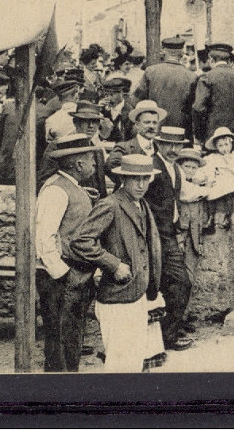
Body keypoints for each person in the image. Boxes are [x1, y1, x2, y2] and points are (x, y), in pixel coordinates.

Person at [69, 154, 165, 373]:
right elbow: (80, 240)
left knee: (135, 360)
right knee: (120, 364)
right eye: (135, 179)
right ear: (123, 179)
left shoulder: (141, 204)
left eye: (145, 178)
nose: (141, 185)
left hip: (138, 294)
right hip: (118, 296)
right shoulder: (111, 205)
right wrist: (113, 265)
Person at [34, 134, 100, 372]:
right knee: (61, 340)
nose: (94, 163)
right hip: (61, 279)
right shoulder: (56, 190)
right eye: (91, 158)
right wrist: (63, 274)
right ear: (78, 163)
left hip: (74, 275)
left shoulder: (72, 186)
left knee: (71, 337)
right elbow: (44, 238)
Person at [142, 126, 194, 350]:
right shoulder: (152, 166)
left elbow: (181, 196)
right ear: (159, 145)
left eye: (178, 145)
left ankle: (166, 333)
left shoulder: (174, 168)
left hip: (169, 233)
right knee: (170, 283)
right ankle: (162, 337)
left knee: (177, 283)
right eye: (169, 145)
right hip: (152, 235)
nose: (174, 149)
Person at [37, 100, 109, 197]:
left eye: (95, 121)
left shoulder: (97, 150)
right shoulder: (58, 147)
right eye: (86, 121)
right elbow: (44, 183)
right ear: (75, 122)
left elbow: (101, 185)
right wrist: (78, 191)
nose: (91, 126)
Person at [133, 36, 198, 140]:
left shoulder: (150, 71)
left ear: (164, 51)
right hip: (181, 131)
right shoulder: (192, 76)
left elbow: (137, 100)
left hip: (153, 129)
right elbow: (195, 108)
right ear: (181, 54)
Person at [192, 42, 234, 143]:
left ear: (211, 59)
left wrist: (199, 135)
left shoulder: (206, 78)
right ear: (229, 60)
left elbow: (198, 108)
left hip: (213, 137)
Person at [175, 147, 210, 289]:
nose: (189, 170)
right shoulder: (178, 186)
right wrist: (179, 238)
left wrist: (200, 241)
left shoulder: (198, 189)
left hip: (194, 237)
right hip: (180, 235)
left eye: (193, 168)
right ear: (180, 167)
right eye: (186, 167)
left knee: (191, 271)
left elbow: (201, 218)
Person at [202, 126, 234, 232]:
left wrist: (228, 161)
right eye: (220, 146)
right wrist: (210, 180)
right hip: (219, 180)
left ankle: (228, 216)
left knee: (229, 192)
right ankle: (210, 218)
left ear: (232, 144)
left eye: (226, 144)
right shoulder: (213, 157)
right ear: (216, 147)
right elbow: (209, 169)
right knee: (211, 193)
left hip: (233, 179)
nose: (224, 148)